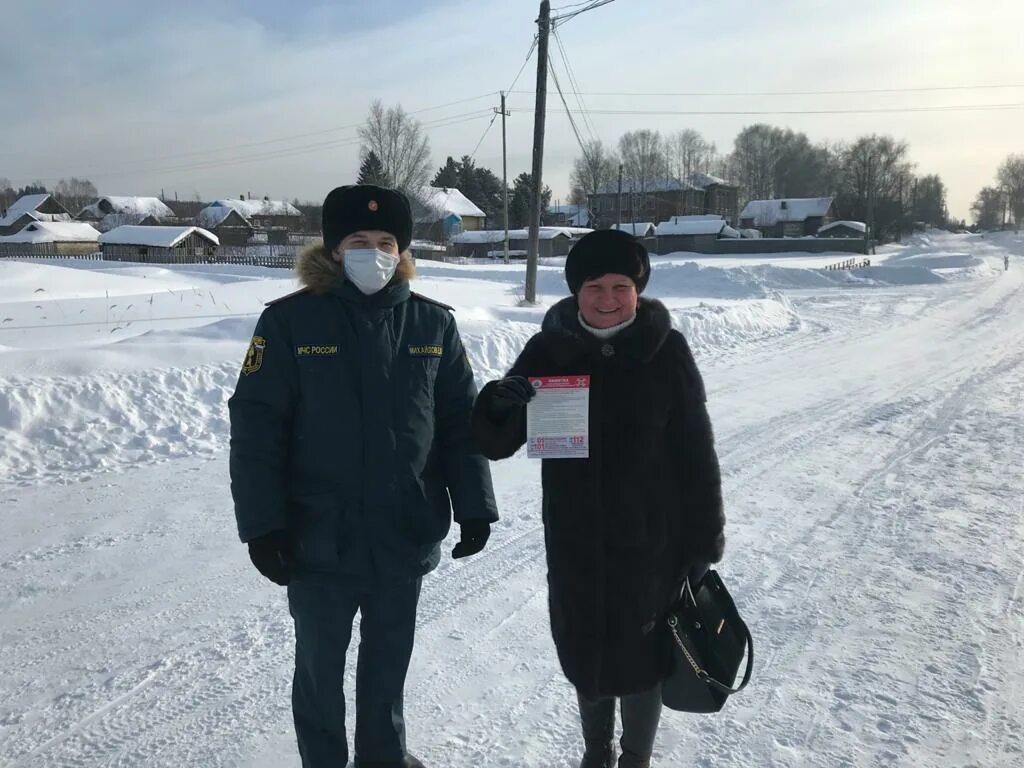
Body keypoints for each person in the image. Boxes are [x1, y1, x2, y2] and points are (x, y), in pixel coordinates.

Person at [229, 184, 498, 768]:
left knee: (387, 669)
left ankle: (385, 758)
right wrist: (263, 526)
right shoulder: (289, 323)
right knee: (319, 673)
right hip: (318, 540)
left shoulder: (433, 325)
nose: (372, 252)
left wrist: (474, 503)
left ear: (401, 250)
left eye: (385, 242)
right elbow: (255, 430)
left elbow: (458, 422)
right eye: (358, 240)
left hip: (404, 534)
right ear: (333, 249)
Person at [471, 230, 726, 768]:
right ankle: (595, 754)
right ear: (575, 290)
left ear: (639, 290)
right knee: (586, 646)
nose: (607, 299)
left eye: (621, 286)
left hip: (652, 541)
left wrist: (704, 539)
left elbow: (695, 450)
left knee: (643, 655)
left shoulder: (666, 351)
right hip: (576, 538)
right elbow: (497, 442)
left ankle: (636, 757)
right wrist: (498, 402)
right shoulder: (549, 349)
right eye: (594, 287)